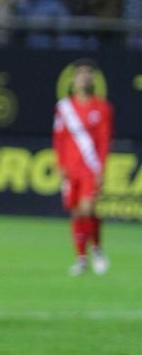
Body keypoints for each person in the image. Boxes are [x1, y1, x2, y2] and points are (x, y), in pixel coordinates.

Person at [52, 58, 113, 276]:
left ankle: (96, 249)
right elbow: (59, 138)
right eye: (80, 74)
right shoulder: (64, 108)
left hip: (90, 167)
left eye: (88, 73)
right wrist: (59, 164)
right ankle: (81, 258)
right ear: (73, 79)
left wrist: (101, 170)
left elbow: (104, 140)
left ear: (93, 79)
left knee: (88, 208)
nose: (83, 78)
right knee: (77, 212)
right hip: (71, 168)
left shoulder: (103, 108)